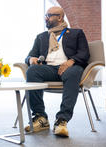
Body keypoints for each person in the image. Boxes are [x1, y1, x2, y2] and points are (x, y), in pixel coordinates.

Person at [24, 6, 90, 137]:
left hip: (69, 68)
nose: (46, 18)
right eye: (45, 15)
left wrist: (71, 61)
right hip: (48, 69)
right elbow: (29, 56)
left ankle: (62, 120)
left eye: (49, 15)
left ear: (60, 18)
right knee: (32, 71)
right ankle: (40, 118)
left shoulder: (77, 33)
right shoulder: (41, 37)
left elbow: (84, 53)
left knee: (74, 71)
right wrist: (31, 59)